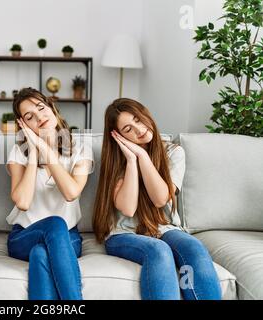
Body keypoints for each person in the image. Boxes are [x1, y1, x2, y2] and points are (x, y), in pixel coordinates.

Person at [92, 98, 221, 300]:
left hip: (165, 228)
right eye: (128, 129)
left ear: (145, 114)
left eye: (137, 119)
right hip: (124, 234)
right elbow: (128, 209)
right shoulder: (118, 162)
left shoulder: (173, 152)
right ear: (119, 137)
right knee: (158, 250)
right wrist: (134, 159)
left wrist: (144, 158)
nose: (138, 129)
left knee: (194, 248)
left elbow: (160, 198)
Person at [6, 87, 94, 300]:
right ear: (23, 125)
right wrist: (35, 153)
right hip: (24, 235)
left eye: (41, 108)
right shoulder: (19, 153)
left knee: (40, 253)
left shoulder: (80, 150)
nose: (39, 117)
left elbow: (71, 192)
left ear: (52, 108)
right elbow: (23, 202)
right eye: (30, 117)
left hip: (67, 237)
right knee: (53, 224)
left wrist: (47, 151)